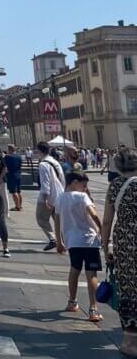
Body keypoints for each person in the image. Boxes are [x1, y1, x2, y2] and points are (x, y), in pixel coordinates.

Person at [54, 171, 103, 322]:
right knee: (91, 274)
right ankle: (93, 309)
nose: (85, 188)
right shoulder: (82, 197)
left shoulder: (60, 197)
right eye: (84, 184)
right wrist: (102, 229)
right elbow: (93, 214)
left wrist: (59, 241)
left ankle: (72, 302)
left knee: (74, 270)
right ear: (75, 182)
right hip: (89, 240)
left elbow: (56, 221)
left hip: (72, 241)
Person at [103, 148, 137, 354]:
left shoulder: (115, 186)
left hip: (124, 243)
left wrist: (104, 245)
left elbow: (107, 221)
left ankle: (129, 342)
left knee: (128, 288)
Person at [36, 141, 66, 252]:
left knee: (41, 219)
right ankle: (63, 241)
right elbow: (62, 179)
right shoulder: (55, 162)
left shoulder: (43, 164)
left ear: (39, 150)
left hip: (48, 197)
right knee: (58, 220)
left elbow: (45, 184)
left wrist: (45, 200)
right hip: (59, 195)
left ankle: (53, 239)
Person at [4, 144, 24, 212]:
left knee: (14, 192)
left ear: (9, 149)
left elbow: (4, 165)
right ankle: (20, 205)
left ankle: (17, 207)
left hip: (11, 175)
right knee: (18, 191)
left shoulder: (8, 156)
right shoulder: (19, 156)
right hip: (18, 174)